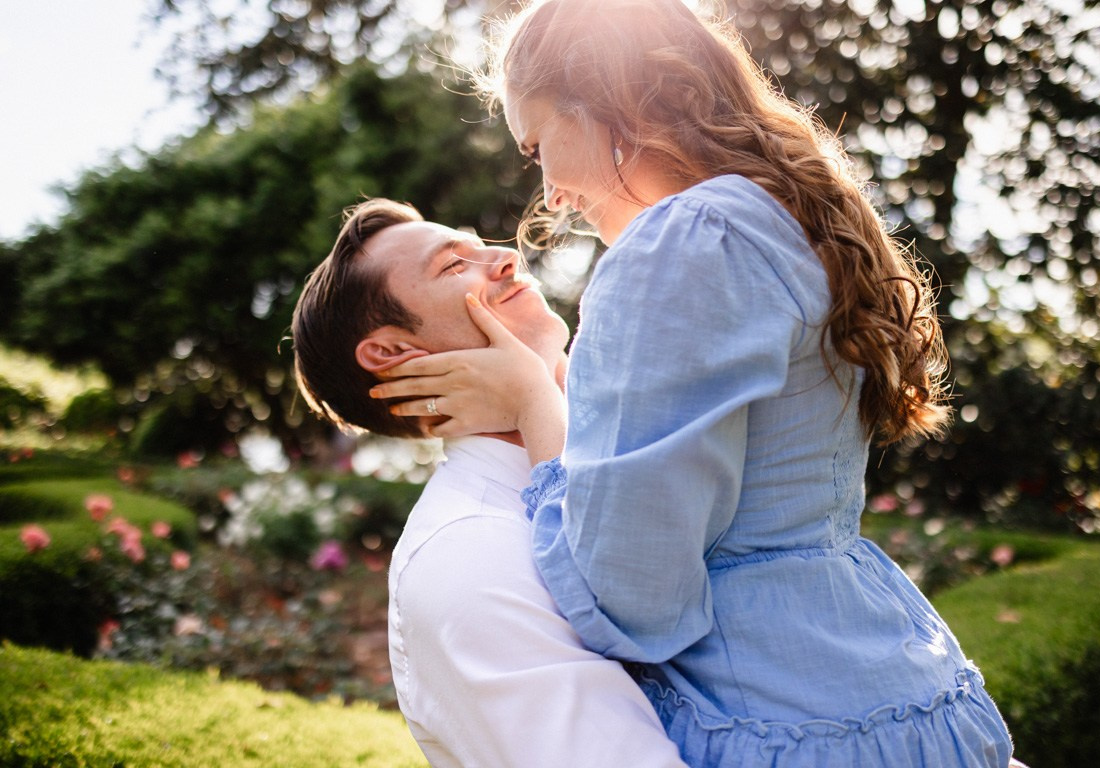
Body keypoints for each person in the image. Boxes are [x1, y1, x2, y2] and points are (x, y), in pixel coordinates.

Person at [368, 0, 1020, 765]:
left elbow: (631, 597)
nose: (547, 193)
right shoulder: (778, 217)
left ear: (600, 103)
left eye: (538, 143)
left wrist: (535, 400)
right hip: (887, 681)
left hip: (783, 714)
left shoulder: (676, 245)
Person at [291, 197, 688, 768]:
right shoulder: (468, 555)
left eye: (480, 245)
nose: (505, 257)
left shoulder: (646, 440)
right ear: (395, 354)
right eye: (453, 266)